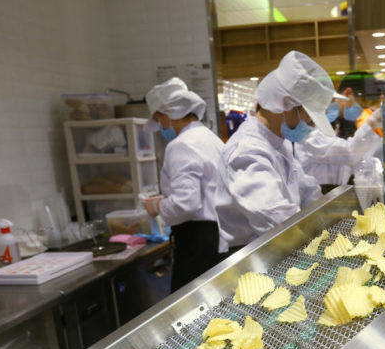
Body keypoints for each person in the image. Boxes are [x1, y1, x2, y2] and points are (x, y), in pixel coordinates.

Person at [214, 51, 342, 252]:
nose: (310, 127)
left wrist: (327, 216)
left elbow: (305, 188)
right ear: (286, 104)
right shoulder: (247, 151)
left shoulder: (277, 142)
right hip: (253, 255)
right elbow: (275, 219)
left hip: (280, 245)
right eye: (309, 120)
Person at [142, 77, 225, 293]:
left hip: (199, 242)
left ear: (168, 115)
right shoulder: (210, 138)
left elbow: (186, 203)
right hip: (220, 236)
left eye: (160, 121)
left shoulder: (181, 145)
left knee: (190, 309)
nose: (161, 127)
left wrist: (157, 206)